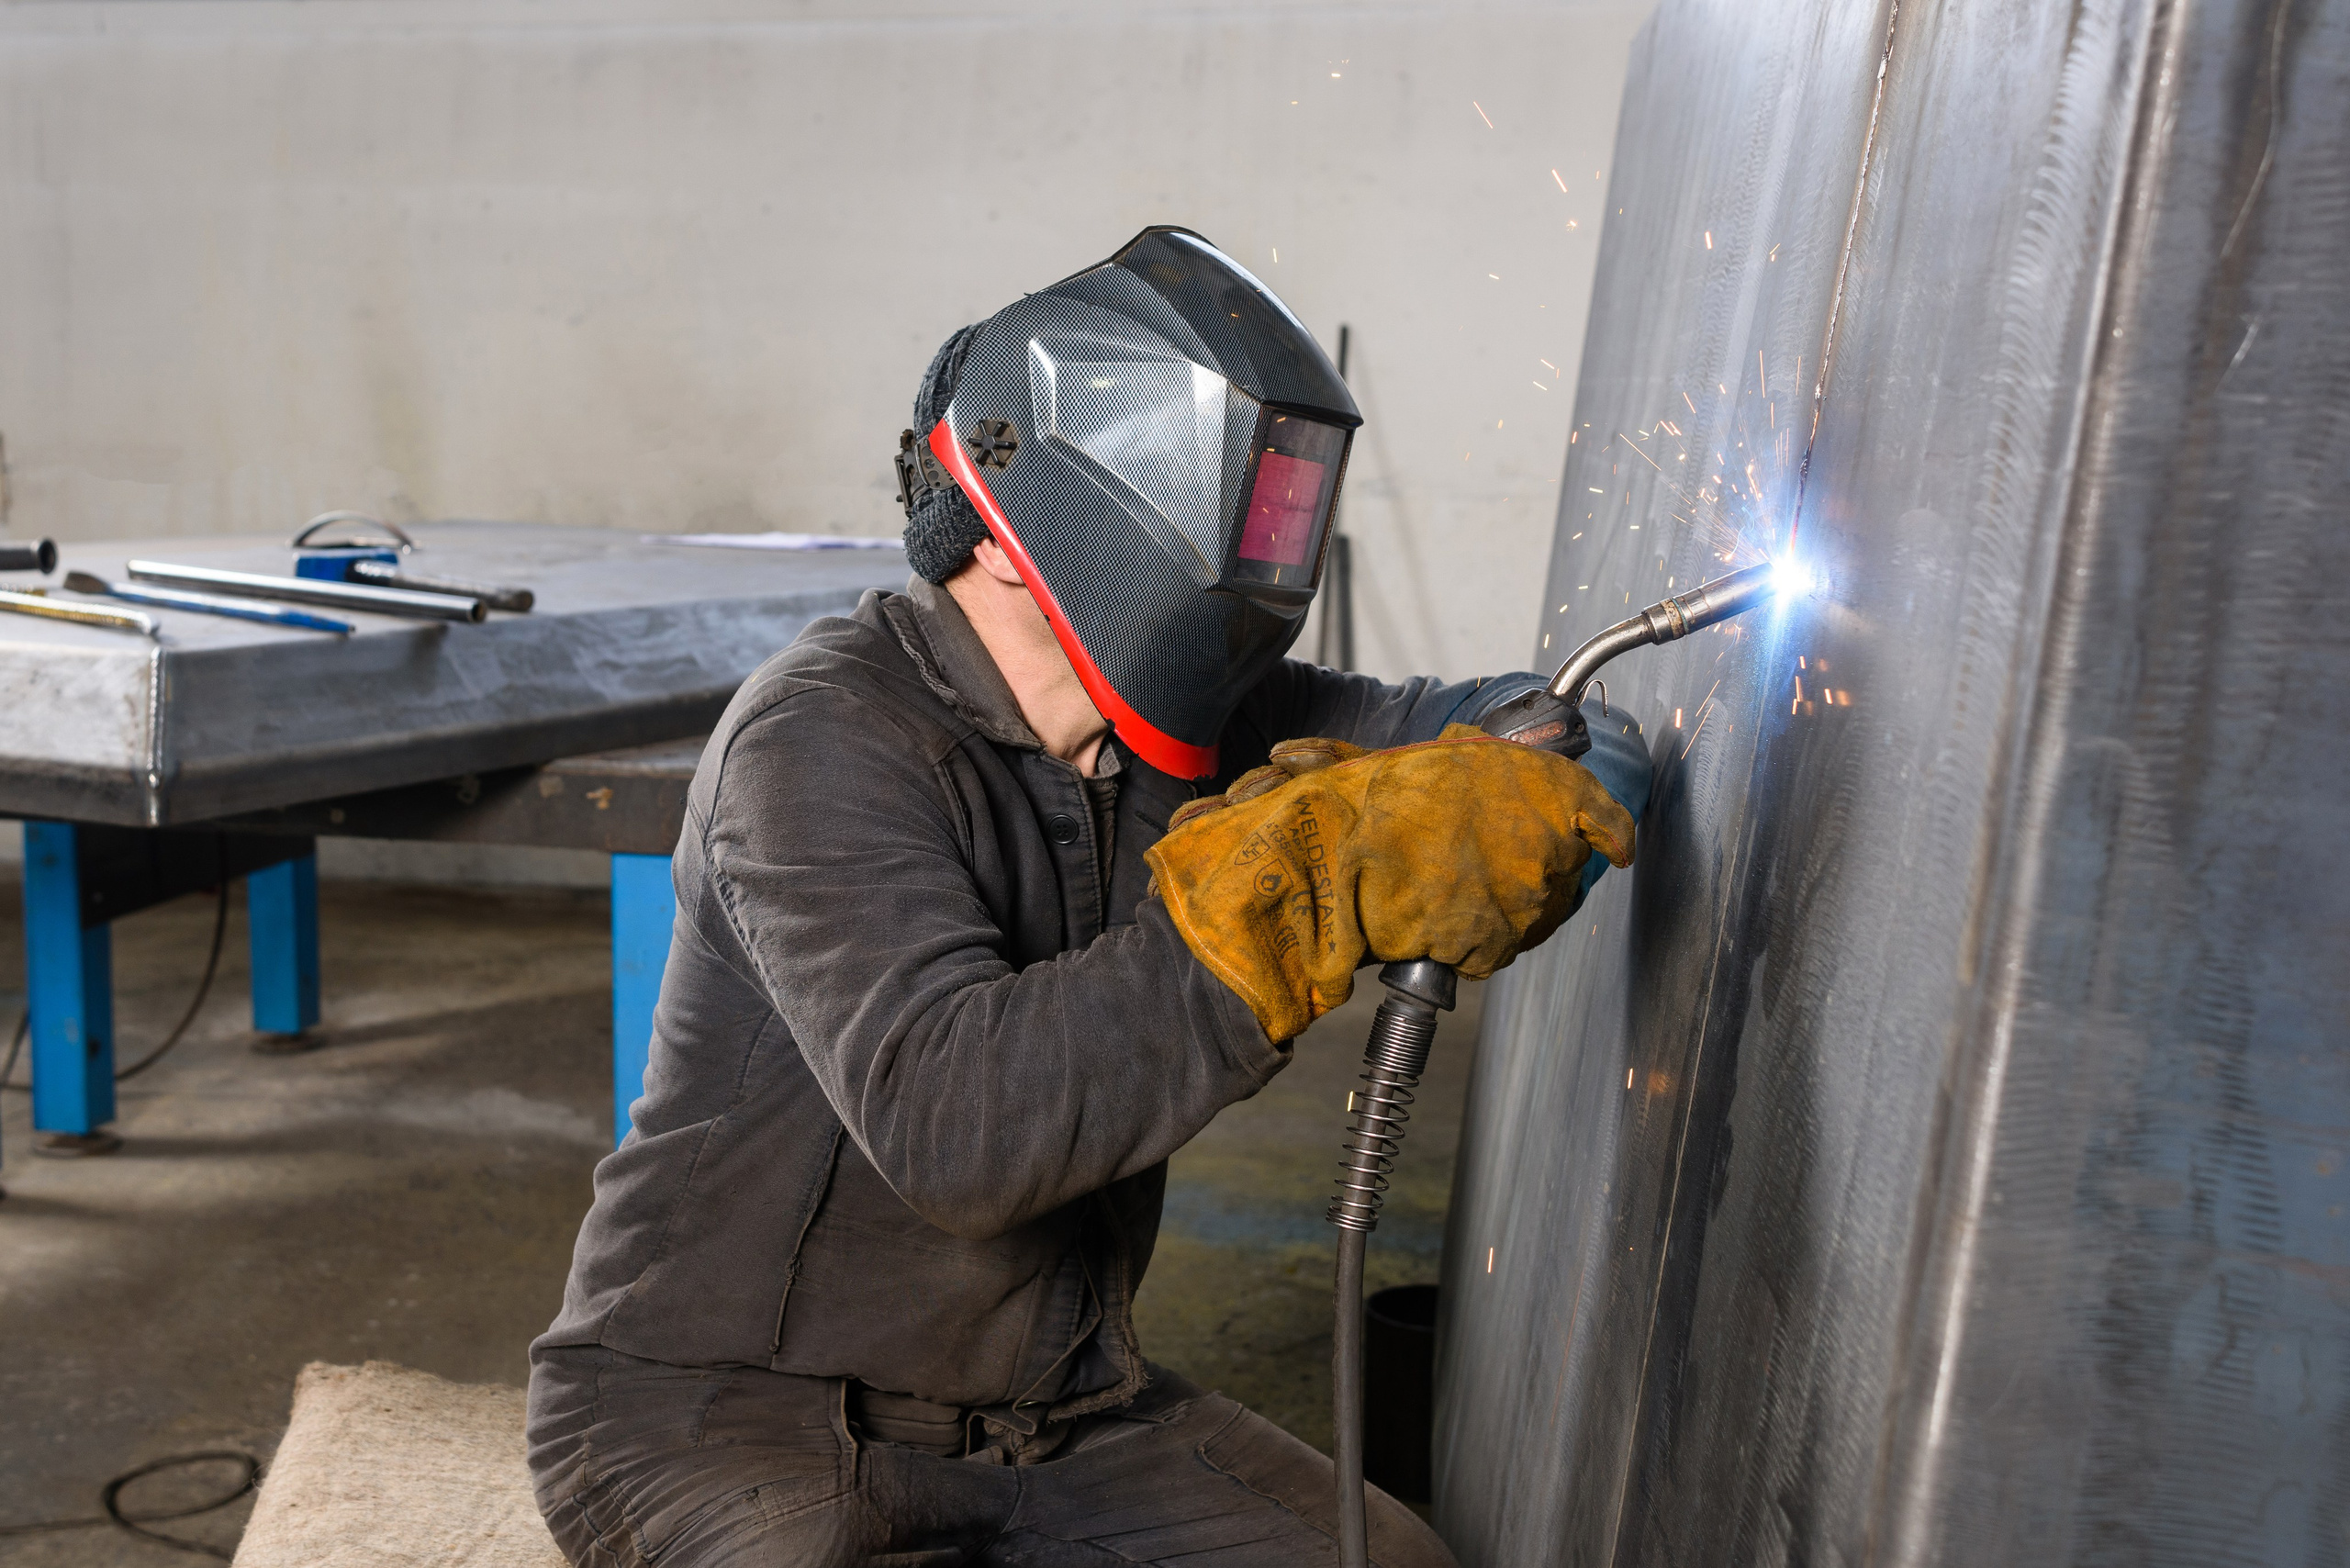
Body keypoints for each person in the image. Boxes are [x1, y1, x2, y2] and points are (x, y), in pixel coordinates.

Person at [525, 228, 1649, 1567]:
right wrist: (1296, 890)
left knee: (1390, 1560)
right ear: (1020, 512)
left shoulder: (1207, 724)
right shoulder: (821, 738)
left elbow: (1544, 729)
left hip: (1056, 1423)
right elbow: (964, 1134)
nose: (1262, 549)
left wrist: (1559, 767)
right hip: (722, 1422)